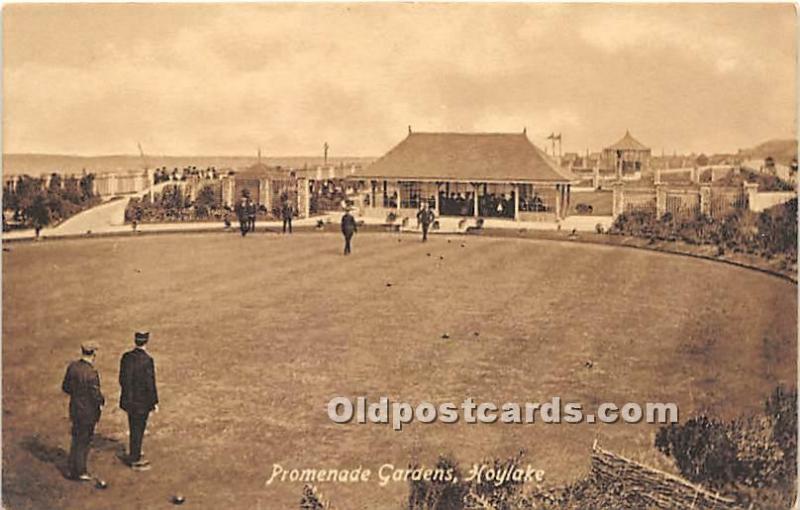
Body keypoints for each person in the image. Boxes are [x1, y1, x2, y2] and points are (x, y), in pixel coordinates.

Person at [62, 343, 105, 481]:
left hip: (75, 408)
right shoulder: (91, 373)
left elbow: (66, 388)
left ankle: (71, 468)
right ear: (93, 354)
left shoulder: (72, 367)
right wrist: (101, 402)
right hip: (88, 412)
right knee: (84, 440)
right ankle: (80, 471)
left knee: (76, 439)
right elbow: (96, 395)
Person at [119, 331, 159, 471]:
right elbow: (150, 383)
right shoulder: (147, 360)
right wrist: (154, 401)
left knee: (133, 426)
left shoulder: (126, 357)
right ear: (146, 341)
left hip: (129, 401)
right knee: (139, 428)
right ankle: (135, 458)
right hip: (142, 402)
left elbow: (122, 379)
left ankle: (135, 452)